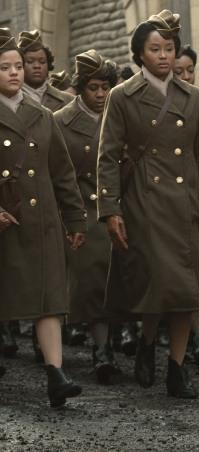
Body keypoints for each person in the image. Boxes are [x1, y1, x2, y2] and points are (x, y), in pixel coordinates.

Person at [96, 9, 199, 400]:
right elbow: (107, 155)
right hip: (144, 201)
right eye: (154, 49)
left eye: (169, 48)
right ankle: (147, 339)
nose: (163, 56)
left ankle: (176, 366)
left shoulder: (193, 99)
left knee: (185, 291)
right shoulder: (122, 97)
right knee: (161, 283)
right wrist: (111, 210)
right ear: (139, 54)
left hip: (186, 202)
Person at [0, 30, 88, 407]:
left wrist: (76, 221)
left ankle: (56, 373)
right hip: (6, 225)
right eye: (4, 68)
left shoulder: (43, 116)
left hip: (42, 221)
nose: (14, 73)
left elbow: (62, 174)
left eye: (18, 66)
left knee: (49, 298)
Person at [55, 51, 122, 384]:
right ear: (80, 89)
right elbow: (59, 175)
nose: (100, 94)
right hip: (86, 208)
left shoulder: (120, 114)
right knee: (95, 280)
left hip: (122, 207)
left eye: (105, 87)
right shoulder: (61, 121)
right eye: (93, 88)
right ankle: (102, 349)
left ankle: (131, 341)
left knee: (129, 277)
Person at [18, 30, 72, 112]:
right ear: (19, 65)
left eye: (42, 62)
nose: (37, 66)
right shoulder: (9, 99)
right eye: (30, 61)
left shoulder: (69, 101)